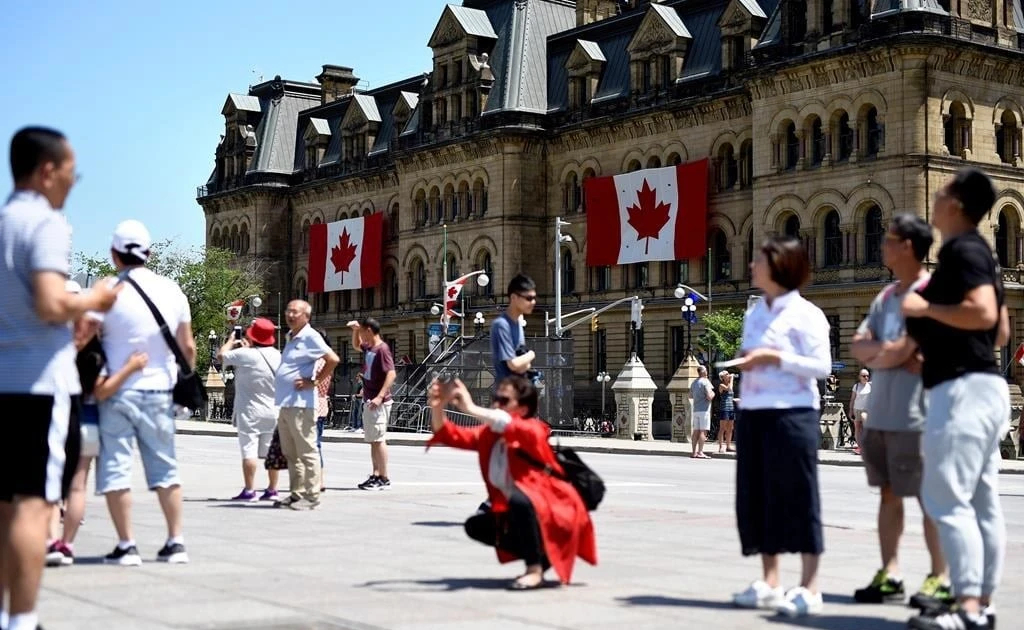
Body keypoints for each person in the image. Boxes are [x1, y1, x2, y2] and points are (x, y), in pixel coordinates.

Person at [0, 127, 120, 630]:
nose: (73, 183)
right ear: (47, 171)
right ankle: (21, 620)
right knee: (32, 507)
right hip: (39, 386)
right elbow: (52, 303)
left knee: (7, 508)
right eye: (72, 173)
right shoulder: (45, 223)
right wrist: (95, 299)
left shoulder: (4, 220)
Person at [903, 168, 1010, 630]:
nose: (936, 196)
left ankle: (966, 608)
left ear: (957, 204)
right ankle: (980, 605)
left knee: (946, 497)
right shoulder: (983, 254)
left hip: (964, 390)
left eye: (943, 191)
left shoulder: (963, 249)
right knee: (982, 501)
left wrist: (926, 309)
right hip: (984, 384)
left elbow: (985, 315)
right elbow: (1001, 331)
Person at [849, 213, 951, 608]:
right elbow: (859, 345)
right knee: (888, 496)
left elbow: (943, 355)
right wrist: (892, 352)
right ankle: (890, 574)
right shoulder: (887, 295)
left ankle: (940, 577)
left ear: (908, 246)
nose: (882, 243)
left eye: (889, 239)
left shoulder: (934, 293)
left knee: (930, 499)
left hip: (921, 417)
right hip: (884, 415)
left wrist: (888, 352)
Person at [730, 235, 831, 618]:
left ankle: (810, 586)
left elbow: (821, 366)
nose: (752, 265)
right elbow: (752, 353)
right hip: (755, 410)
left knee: (800, 495)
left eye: (759, 260)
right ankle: (770, 581)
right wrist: (747, 359)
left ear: (779, 268)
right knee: (757, 495)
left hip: (793, 412)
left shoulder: (807, 314)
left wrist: (776, 358)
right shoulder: (754, 312)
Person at [426, 375, 597, 588]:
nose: (497, 405)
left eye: (504, 401)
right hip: (526, 509)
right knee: (477, 526)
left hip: (559, 510)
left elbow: (512, 426)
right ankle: (544, 555)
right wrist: (438, 407)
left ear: (523, 409)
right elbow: (448, 434)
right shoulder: (489, 435)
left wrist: (470, 408)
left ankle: (534, 570)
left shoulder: (534, 430)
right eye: (496, 398)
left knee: (519, 500)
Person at [97, 220, 195, 566]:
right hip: (159, 391)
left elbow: (83, 336)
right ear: (149, 254)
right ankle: (176, 541)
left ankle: (127, 545)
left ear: (114, 255)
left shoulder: (106, 290)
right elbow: (188, 347)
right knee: (166, 468)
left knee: (115, 469)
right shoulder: (172, 291)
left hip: (118, 390)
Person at [47, 293, 148, 567]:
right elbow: (102, 391)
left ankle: (51, 540)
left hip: (60, 420)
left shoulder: (56, 349)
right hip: (89, 421)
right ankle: (66, 544)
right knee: (78, 486)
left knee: (56, 484)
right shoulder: (98, 355)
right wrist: (129, 368)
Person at [273, 300, 339, 510]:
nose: (290, 315)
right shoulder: (291, 336)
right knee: (291, 452)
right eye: (288, 310)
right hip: (286, 402)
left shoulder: (310, 336)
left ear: (306, 316)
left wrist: (315, 381)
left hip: (301, 404)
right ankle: (296, 493)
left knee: (307, 449)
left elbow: (332, 359)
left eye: (295, 312)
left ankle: (312, 495)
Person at [217, 318, 282, 502]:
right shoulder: (278, 355)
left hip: (250, 411)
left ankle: (250, 489)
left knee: (249, 451)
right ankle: (272, 489)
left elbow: (221, 355)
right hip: (273, 410)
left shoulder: (245, 354)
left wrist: (231, 341)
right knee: (271, 453)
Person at [348, 317, 396, 490]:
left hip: (379, 402)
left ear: (368, 330)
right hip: (370, 400)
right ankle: (376, 474)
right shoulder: (370, 348)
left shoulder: (382, 349)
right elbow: (356, 346)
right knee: (373, 440)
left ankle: (384, 477)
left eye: (361, 331)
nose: (360, 334)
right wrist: (354, 331)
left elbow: (391, 374)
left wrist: (379, 396)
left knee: (379, 439)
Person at [490, 274, 537, 382]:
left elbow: (523, 366)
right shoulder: (501, 324)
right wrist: (531, 354)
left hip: (519, 389)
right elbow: (513, 364)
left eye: (534, 298)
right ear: (514, 297)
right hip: (507, 392)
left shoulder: (518, 323)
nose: (533, 302)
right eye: (528, 298)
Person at [313, 329, 334, 491]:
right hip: (322, 405)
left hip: (311, 406)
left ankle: (314, 480)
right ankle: (319, 480)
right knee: (316, 445)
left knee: (310, 446)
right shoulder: (326, 361)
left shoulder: (315, 362)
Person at [690, 365, 714, 458]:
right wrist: (713, 393)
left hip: (696, 410)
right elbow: (709, 396)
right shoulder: (705, 381)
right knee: (703, 432)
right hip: (704, 410)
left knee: (696, 431)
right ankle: (700, 452)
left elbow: (690, 396)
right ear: (703, 372)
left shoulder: (694, 382)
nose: (707, 372)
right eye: (706, 370)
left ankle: (693, 452)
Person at [850, 369, 872, 455]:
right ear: (859, 377)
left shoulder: (871, 385)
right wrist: (850, 411)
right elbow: (852, 399)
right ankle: (860, 447)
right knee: (858, 428)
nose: (866, 377)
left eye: (867, 376)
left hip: (867, 410)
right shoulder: (856, 386)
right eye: (864, 376)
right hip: (857, 409)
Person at [718, 370, 736, 453]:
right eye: (727, 374)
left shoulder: (730, 384)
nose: (729, 375)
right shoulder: (721, 385)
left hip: (731, 408)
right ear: (722, 377)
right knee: (722, 428)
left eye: (729, 374)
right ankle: (721, 446)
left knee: (730, 428)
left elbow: (730, 395)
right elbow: (729, 389)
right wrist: (732, 378)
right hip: (724, 408)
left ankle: (728, 446)